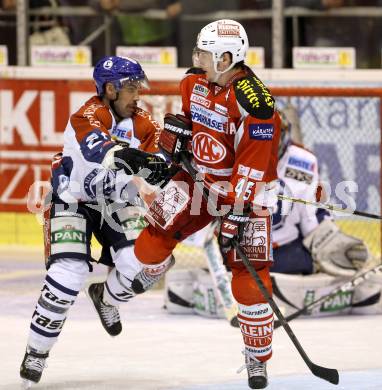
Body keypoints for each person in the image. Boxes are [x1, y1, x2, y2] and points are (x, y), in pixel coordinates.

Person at [89, 19, 280, 389]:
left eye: (204, 53)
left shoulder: (256, 105)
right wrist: (179, 136)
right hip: (196, 182)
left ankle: (257, 360)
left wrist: (236, 213)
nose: (197, 58)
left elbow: (252, 166)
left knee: (249, 278)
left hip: (244, 195)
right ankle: (134, 277)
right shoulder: (193, 82)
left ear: (227, 58)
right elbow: (193, 128)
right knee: (148, 247)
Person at [19, 55, 170, 388]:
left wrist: (166, 164)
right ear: (110, 89)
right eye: (131, 88)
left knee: (146, 264)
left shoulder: (141, 120)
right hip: (72, 200)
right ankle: (36, 352)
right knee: (65, 276)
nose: (138, 95)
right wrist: (134, 158)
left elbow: (157, 155)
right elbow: (96, 149)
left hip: (116, 201)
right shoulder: (86, 114)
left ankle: (106, 297)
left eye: (138, 88)